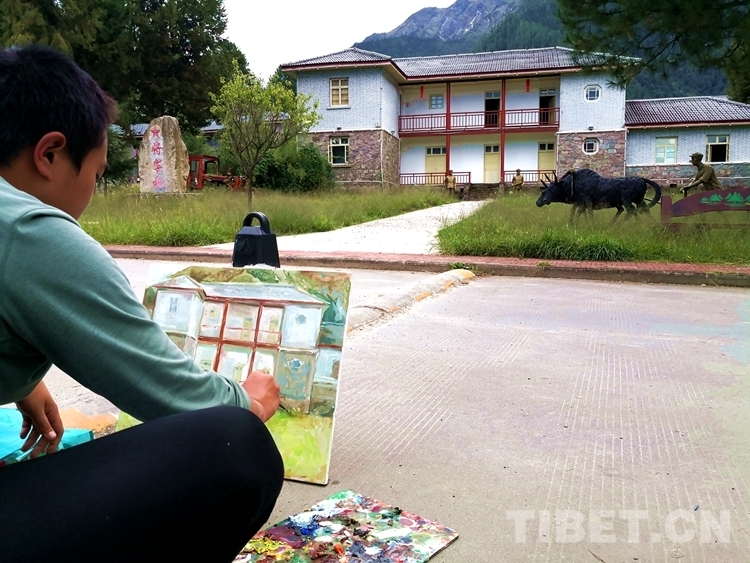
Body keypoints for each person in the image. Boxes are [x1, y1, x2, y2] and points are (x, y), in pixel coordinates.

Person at [0, 44, 283, 562]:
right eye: (97, 174)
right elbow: (172, 394)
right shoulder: (30, 231)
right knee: (235, 444)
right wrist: (250, 401)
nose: (91, 194)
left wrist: (20, 380)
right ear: (50, 154)